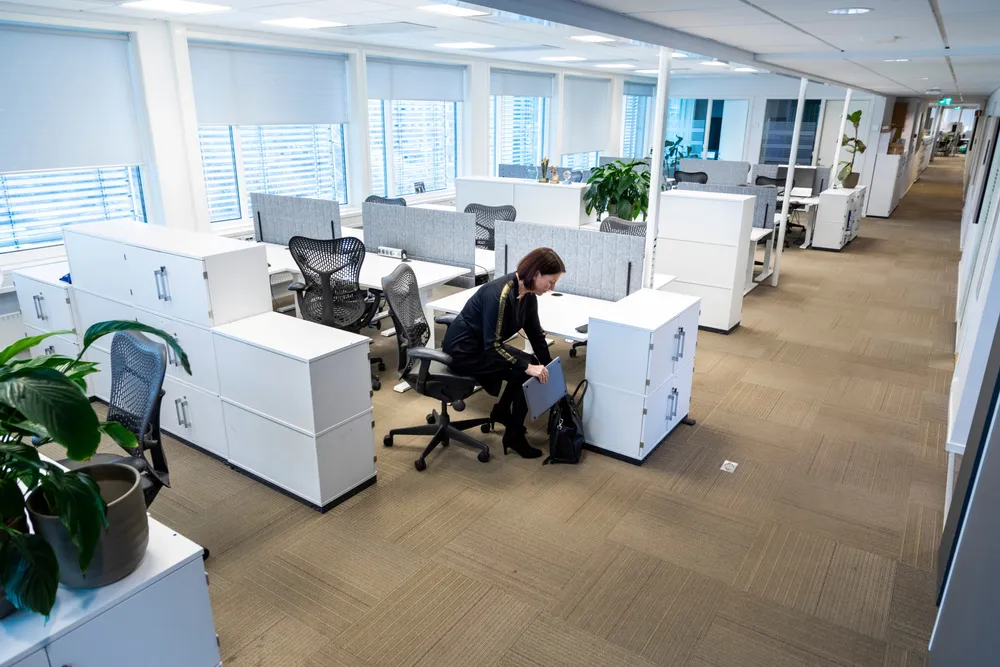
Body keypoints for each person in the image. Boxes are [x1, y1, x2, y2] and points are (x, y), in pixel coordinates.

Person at [442, 248, 566, 459]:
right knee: (525, 370)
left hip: (483, 346)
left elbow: (536, 336)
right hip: (463, 351)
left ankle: (501, 411)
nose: (552, 288)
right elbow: (492, 347)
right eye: (551, 282)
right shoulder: (499, 294)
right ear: (536, 274)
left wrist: (550, 369)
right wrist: (528, 368)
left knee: (531, 363)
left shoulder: (528, 297)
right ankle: (513, 435)